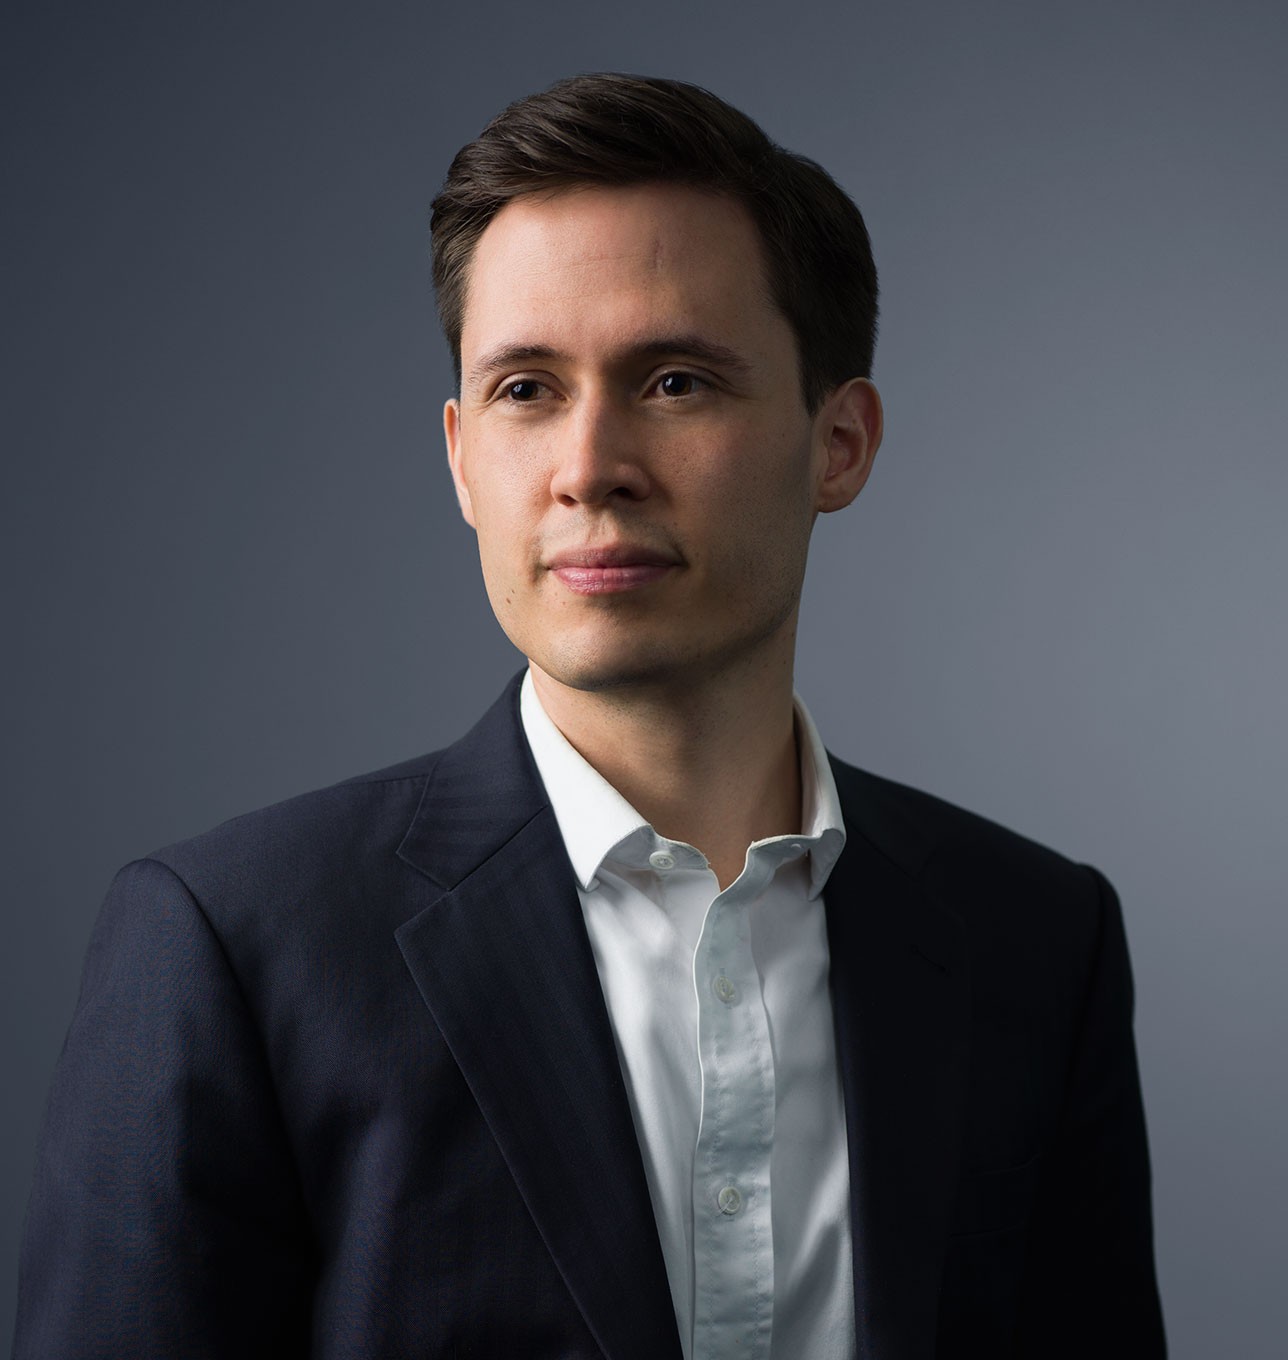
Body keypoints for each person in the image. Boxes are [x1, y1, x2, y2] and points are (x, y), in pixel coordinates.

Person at [12, 73, 1166, 1359]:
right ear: (461, 457)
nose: (588, 468)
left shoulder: (1036, 941)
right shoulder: (231, 946)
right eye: (524, 389)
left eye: (674, 381)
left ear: (838, 442)